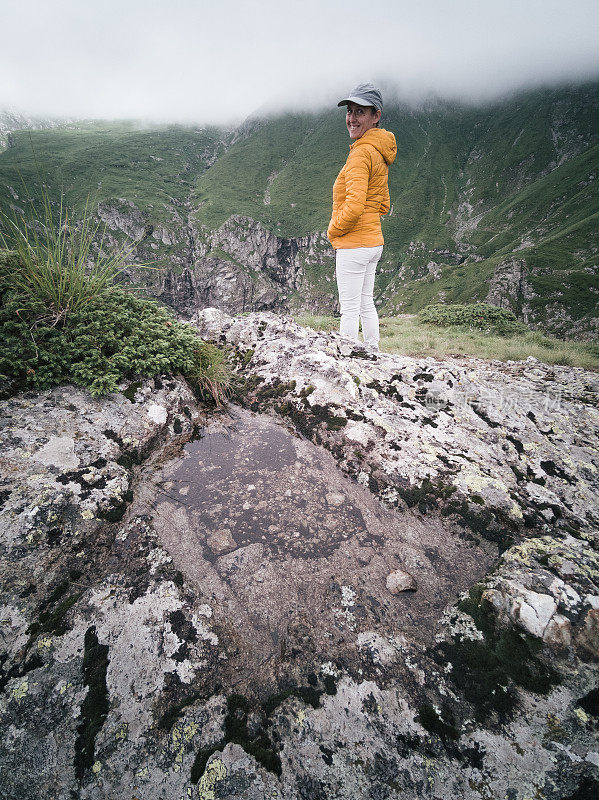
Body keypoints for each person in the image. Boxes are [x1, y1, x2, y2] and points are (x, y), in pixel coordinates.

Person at [327, 83, 396, 350]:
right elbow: (384, 203)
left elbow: (354, 206)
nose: (352, 118)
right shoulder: (380, 152)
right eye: (350, 111)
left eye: (360, 112)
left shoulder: (360, 154)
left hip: (354, 244)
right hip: (373, 241)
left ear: (375, 116)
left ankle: (347, 356)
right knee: (366, 301)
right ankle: (373, 350)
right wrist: (368, 222)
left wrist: (334, 230)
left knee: (349, 308)